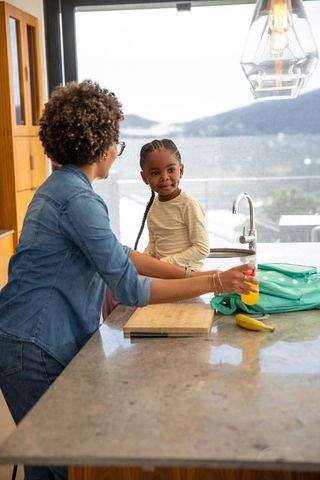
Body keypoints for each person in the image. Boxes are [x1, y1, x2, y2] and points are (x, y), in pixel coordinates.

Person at [0, 80, 257, 480]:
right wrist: (214, 283)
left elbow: (122, 254)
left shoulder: (63, 188)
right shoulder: (79, 199)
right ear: (103, 145)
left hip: (24, 337)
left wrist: (198, 274)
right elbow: (132, 288)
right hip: (34, 343)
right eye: (117, 143)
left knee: (53, 461)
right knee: (64, 466)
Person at [135, 139, 209, 274]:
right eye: (155, 173)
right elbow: (154, 243)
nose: (164, 177)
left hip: (188, 274)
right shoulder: (152, 206)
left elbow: (202, 248)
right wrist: (142, 261)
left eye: (170, 170)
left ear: (181, 170)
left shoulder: (188, 205)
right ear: (144, 177)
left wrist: (162, 264)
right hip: (163, 273)